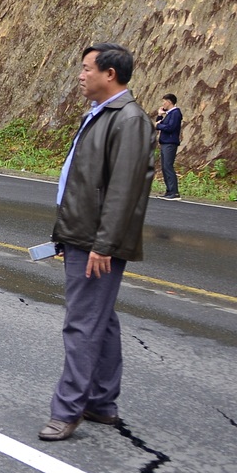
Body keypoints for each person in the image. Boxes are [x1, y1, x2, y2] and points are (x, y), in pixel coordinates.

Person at [41, 44, 155, 442]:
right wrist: (64, 235)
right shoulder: (100, 115)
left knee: (81, 325)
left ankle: (66, 411)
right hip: (81, 235)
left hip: (96, 242)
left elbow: (123, 191)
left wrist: (103, 245)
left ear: (110, 74)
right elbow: (82, 183)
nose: (80, 75)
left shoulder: (129, 120)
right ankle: (101, 403)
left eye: (86, 68)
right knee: (100, 321)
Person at [155, 94, 182, 199]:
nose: (163, 104)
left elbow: (170, 127)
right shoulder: (169, 114)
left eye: (164, 101)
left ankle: (174, 192)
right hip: (165, 142)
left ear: (169, 102)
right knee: (165, 167)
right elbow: (159, 123)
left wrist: (158, 125)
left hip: (170, 143)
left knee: (168, 166)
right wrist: (160, 115)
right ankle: (169, 191)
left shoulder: (175, 113)